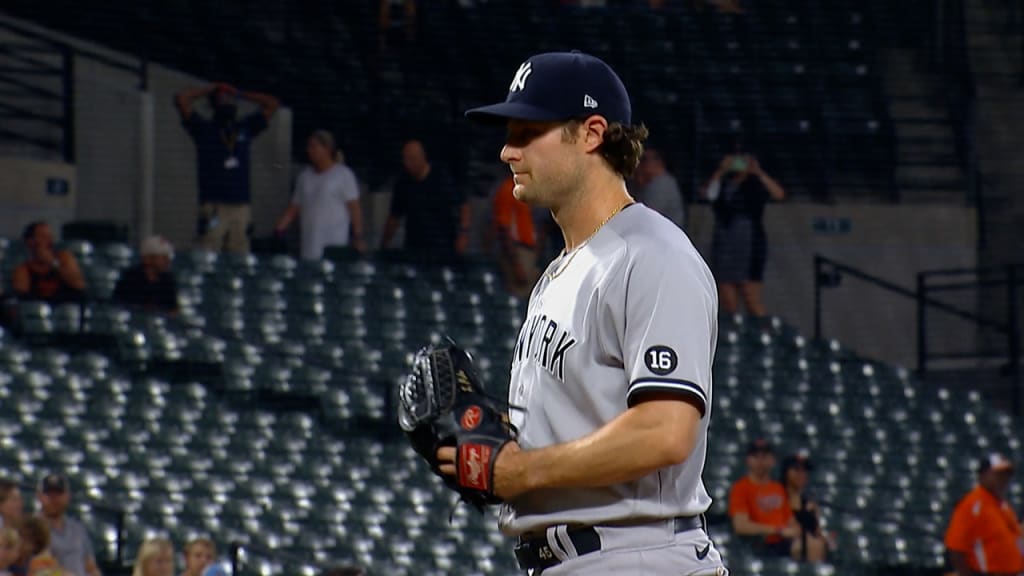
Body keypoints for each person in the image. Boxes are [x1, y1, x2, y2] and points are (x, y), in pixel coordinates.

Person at [440, 51, 725, 575]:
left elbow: (666, 431)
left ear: (592, 133)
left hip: (637, 555)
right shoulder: (559, 273)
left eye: (527, 132)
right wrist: (490, 444)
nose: (507, 151)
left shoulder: (653, 255)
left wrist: (523, 471)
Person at [175, 82, 280, 255]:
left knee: (239, 254)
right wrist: (210, 89)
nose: (228, 101)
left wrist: (240, 92)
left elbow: (272, 104)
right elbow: (181, 99)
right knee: (208, 251)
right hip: (214, 208)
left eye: (231, 99)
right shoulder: (204, 129)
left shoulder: (244, 127)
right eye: (223, 98)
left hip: (240, 207)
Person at [702, 137, 784, 317]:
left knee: (751, 297)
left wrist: (758, 172)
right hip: (725, 239)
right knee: (728, 301)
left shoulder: (756, 182)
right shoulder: (723, 182)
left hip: (750, 240)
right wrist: (721, 171)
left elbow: (779, 194)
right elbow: (708, 195)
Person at [274, 130, 365, 259]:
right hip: (309, 246)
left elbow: (354, 209)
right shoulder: (304, 177)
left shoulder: (343, 175)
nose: (309, 150)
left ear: (327, 149)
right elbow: (294, 208)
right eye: (308, 146)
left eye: (313, 146)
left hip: (333, 245)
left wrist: (358, 236)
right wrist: (279, 229)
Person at [379, 140, 469, 264]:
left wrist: (463, 233)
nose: (407, 163)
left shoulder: (442, 177)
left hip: (443, 245)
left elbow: (463, 204)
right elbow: (395, 216)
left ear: (422, 157)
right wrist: (384, 243)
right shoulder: (403, 183)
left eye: (411, 159)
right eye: (405, 159)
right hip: (414, 246)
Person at [945, 453, 1024, 576]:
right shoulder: (971, 506)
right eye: (998, 474)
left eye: (1006, 475)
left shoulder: (1003, 506)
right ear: (983, 475)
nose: (1003, 479)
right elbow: (956, 550)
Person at [728, 440, 800, 558]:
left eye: (765, 456)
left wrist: (797, 530)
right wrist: (777, 530)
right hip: (759, 544)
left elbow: (791, 520)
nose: (760, 461)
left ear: (773, 460)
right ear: (748, 460)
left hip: (784, 542)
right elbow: (740, 526)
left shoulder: (778, 488)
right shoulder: (740, 488)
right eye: (755, 456)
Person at [36, 475, 99, 576]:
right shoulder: (33, 528)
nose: (54, 500)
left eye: (58, 494)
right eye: (49, 495)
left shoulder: (77, 529)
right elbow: (43, 568)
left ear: (67, 496)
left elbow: (91, 566)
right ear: (39, 496)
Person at [11, 223, 86, 304]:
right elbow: (21, 299)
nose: (50, 241)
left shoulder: (64, 258)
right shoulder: (23, 270)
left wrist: (53, 263)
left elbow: (79, 285)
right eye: (43, 237)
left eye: (50, 236)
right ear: (30, 242)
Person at [491, 175, 540, 298]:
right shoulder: (508, 189)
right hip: (518, 252)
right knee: (519, 298)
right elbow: (504, 229)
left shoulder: (527, 188)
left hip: (528, 251)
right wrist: (516, 264)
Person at [780, 453, 828, 562]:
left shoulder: (811, 505)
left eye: (805, 471)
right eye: (796, 470)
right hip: (784, 546)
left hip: (809, 547)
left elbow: (817, 532)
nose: (801, 474)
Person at [112, 237, 178, 315]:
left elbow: (173, 307)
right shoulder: (130, 278)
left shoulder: (167, 280)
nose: (167, 261)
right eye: (163, 257)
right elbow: (121, 304)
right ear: (147, 258)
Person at [633, 148, 685, 230]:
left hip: (665, 234)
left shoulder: (662, 183)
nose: (640, 164)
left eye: (644, 160)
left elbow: (647, 215)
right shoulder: (649, 182)